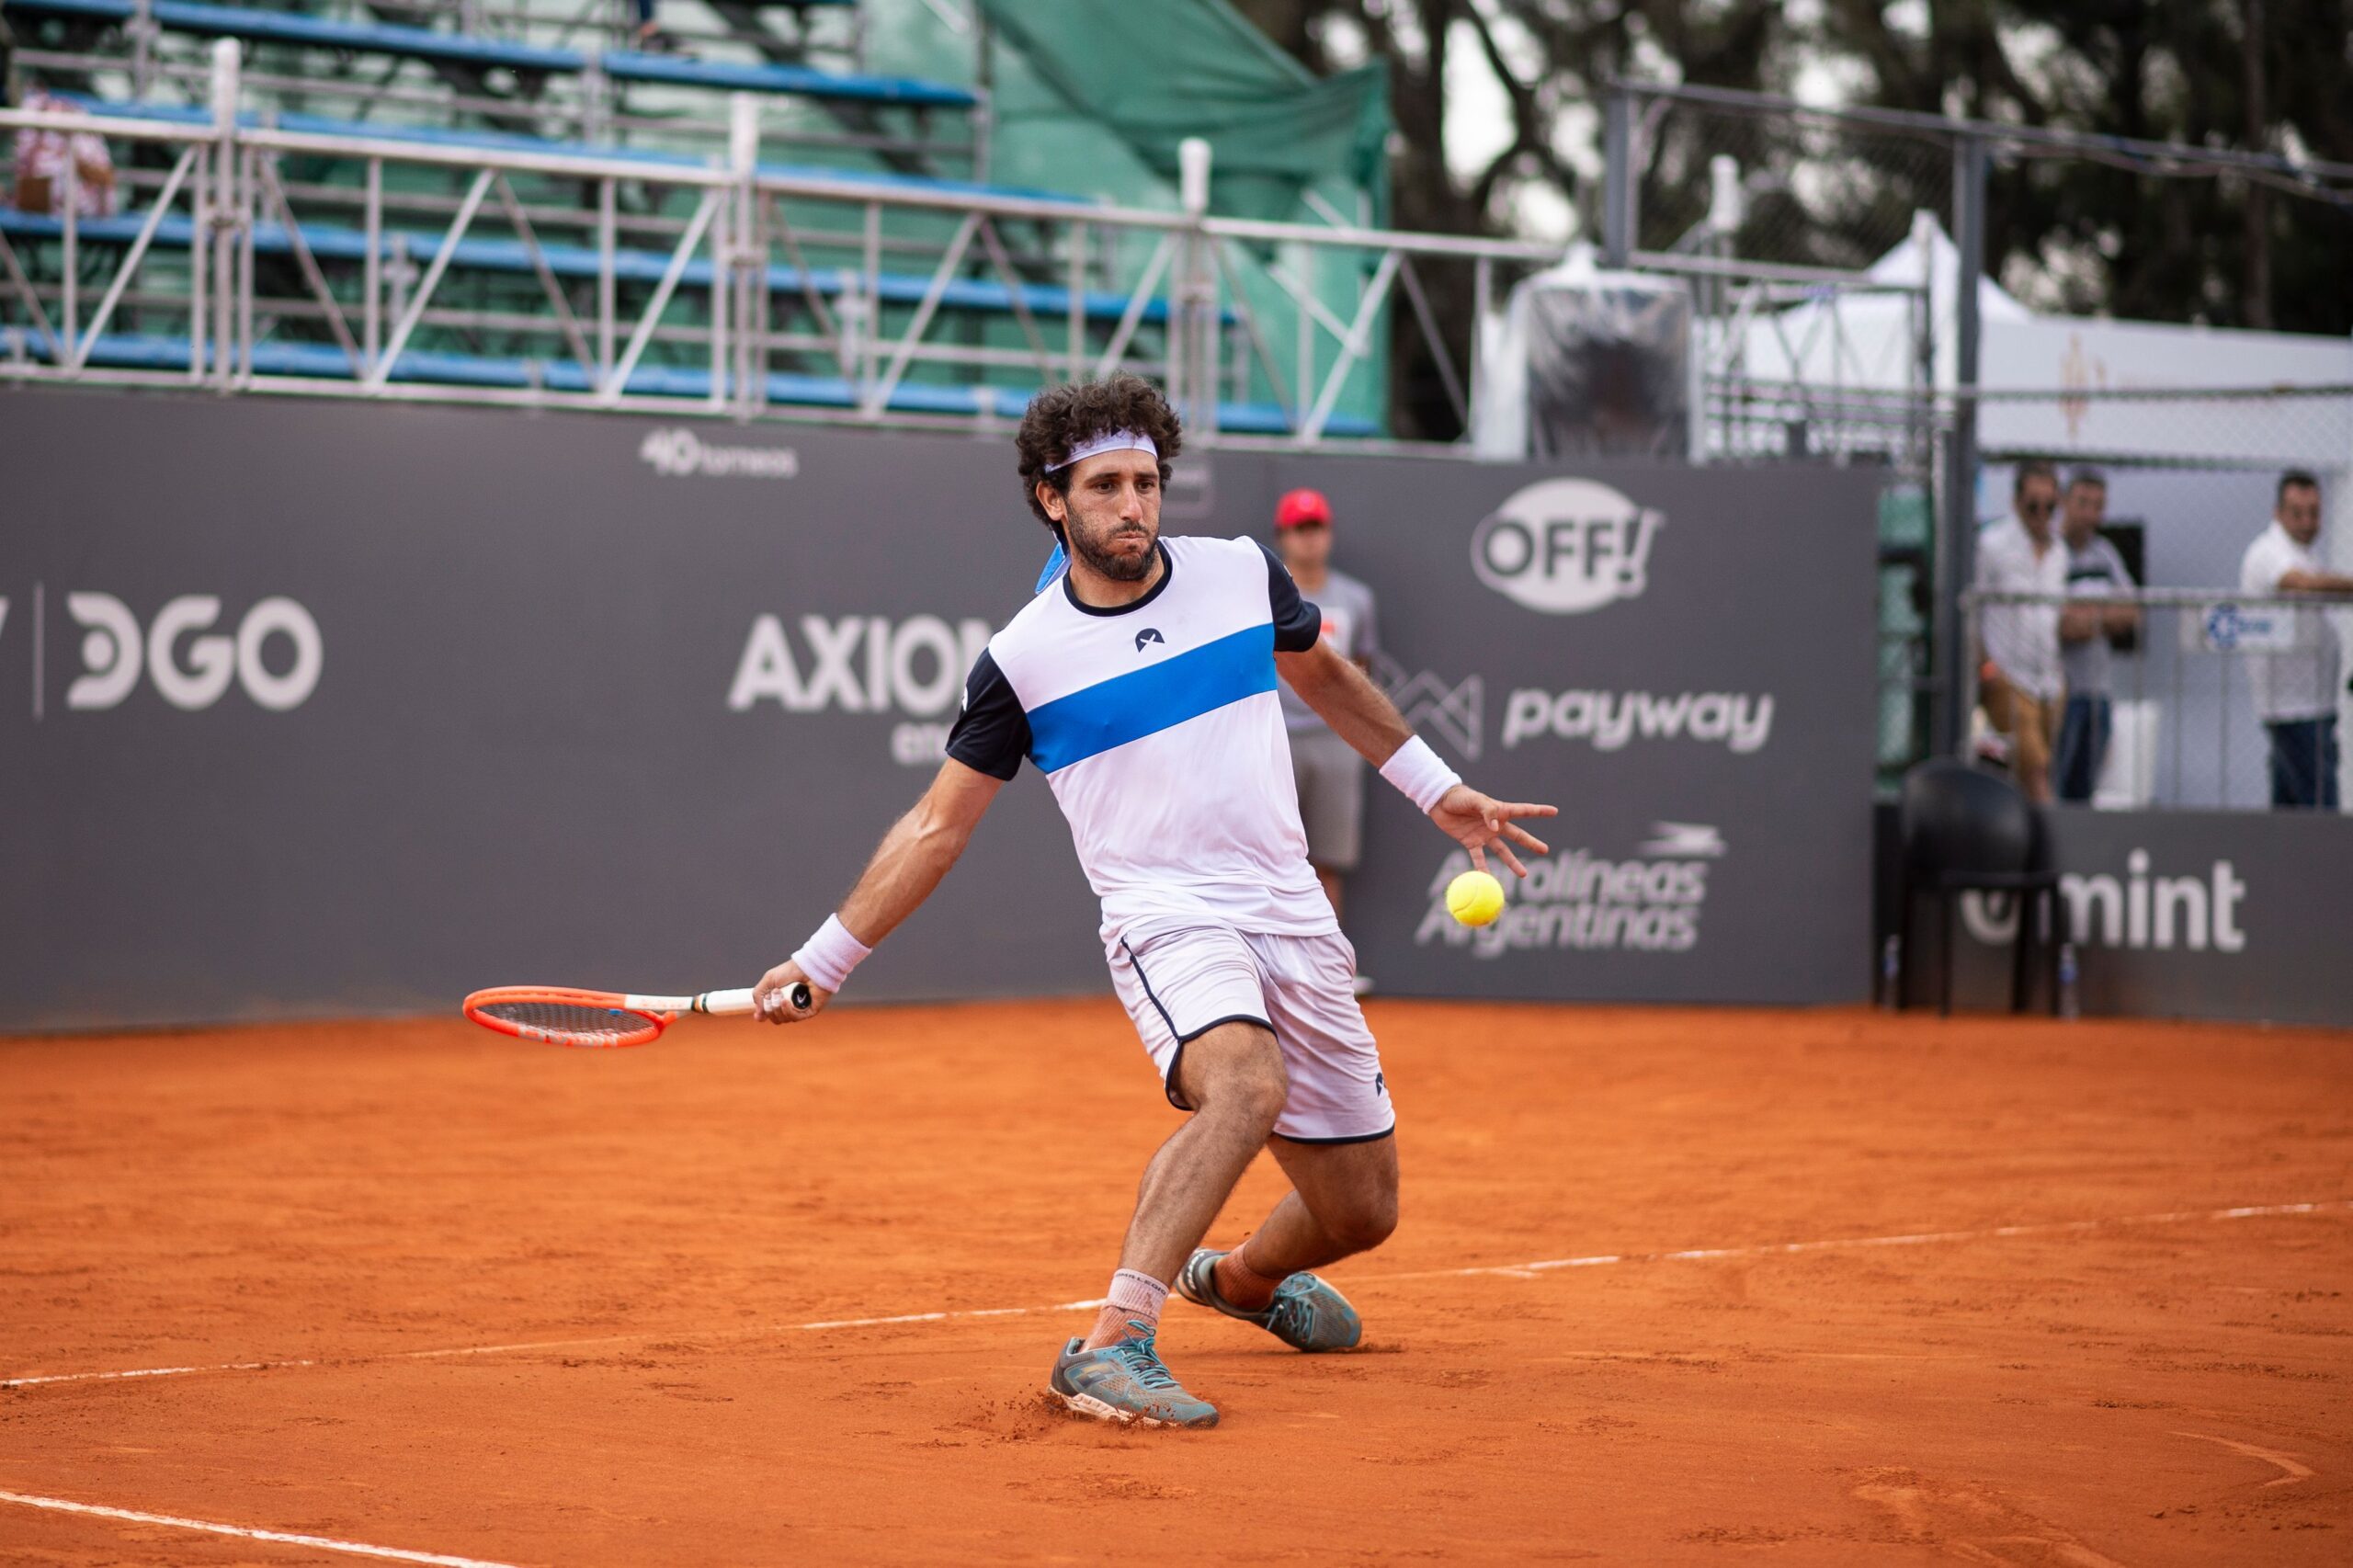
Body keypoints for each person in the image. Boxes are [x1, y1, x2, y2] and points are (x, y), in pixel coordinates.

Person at [749, 374, 1555, 1429]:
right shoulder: (1023, 659)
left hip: (1290, 912)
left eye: (1146, 481)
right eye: (1105, 485)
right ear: (1053, 499)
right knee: (1244, 1085)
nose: (1133, 503)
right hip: (1165, 917)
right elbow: (935, 826)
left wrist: (1434, 787)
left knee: (1362, 1211)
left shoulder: (1237, 573)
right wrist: (822, 959)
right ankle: (1112, 1342)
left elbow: (1324, 677)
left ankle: (1241, 1282)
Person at [1272, 487, 1380, 928]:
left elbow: (1361, 667)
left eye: (1315, 528)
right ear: (1283, 537)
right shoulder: (1266, 591)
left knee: (1328, 861)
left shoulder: (1356, 599)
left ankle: (1330, 975)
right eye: (1300, 529)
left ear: (1328, 534)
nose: (1309, 539)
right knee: (1272, 860)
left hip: (1335, 741)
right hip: (1275, 736)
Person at [2239, 470, 2352, 810]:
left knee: (2288, 811)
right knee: (2318, 807)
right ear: (2278, 512)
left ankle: (2280, 862)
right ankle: (2327, 864)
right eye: (2297, 513)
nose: (2307, 522)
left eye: (2314, 513)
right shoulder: (2268, 551)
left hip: (2314, 703)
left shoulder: (2305, 554)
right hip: (2292, 708)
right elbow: (2297, 582)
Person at [1974, 461, 2068, 804]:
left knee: (2033, 771)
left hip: (2049, 682)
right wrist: (1987, 669)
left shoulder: (2059, 552)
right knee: (2035, 768)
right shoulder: (1993, 545)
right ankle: (2055, 845)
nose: (2042, 513)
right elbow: (1974, 611)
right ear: (2016, 502)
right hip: (2009, 677)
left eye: (2050, 505)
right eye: (2033, 504)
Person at [2053, 469, 2139, 802]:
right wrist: (2103, 617)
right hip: (2061, 693)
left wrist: (2087, 618)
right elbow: (2062, 626)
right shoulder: (2052, 554)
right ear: (2065, 502)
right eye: (2083, 503)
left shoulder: (2104, 554)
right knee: (2054, 786)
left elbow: (2133, 611)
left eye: (2098, 506)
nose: (2091, 514)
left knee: (2084, 793)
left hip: (2098, 693)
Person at [10, 83, 119, 219]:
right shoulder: (33, 110)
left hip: (89, 212)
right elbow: (31, 195)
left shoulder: (81, 120)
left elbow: (103, 180)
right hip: (43, 209)